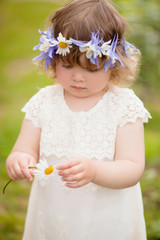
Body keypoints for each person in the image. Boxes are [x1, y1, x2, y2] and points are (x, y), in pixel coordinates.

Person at [6, 0, 151, 239]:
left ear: (113, 66)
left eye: (92, 69)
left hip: (105, 217)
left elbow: (132, 167)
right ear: (53, 59)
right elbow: (23, 149)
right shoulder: (44, 102)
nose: (78, 78)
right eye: (67, 65)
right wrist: (19, 160)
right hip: (54, 212)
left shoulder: (124, 106)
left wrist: (95, 171)